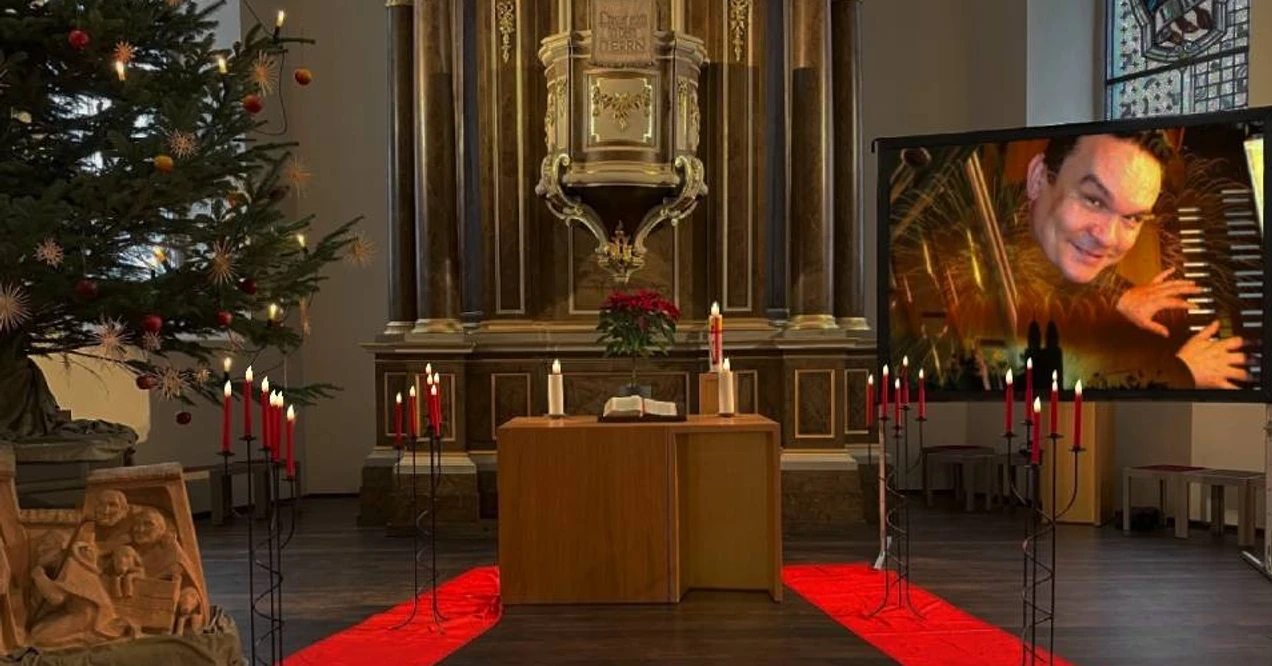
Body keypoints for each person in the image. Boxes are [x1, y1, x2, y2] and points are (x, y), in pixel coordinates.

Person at [1023, 131, 1250, 389]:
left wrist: (1118, 298)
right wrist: (1181, 372)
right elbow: (1055, 386)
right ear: (1038, 178)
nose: (1108, 238)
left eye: (1131, 218)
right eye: (1093, 200)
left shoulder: (1041, 234)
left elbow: (1056, 271)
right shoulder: (981, 276)